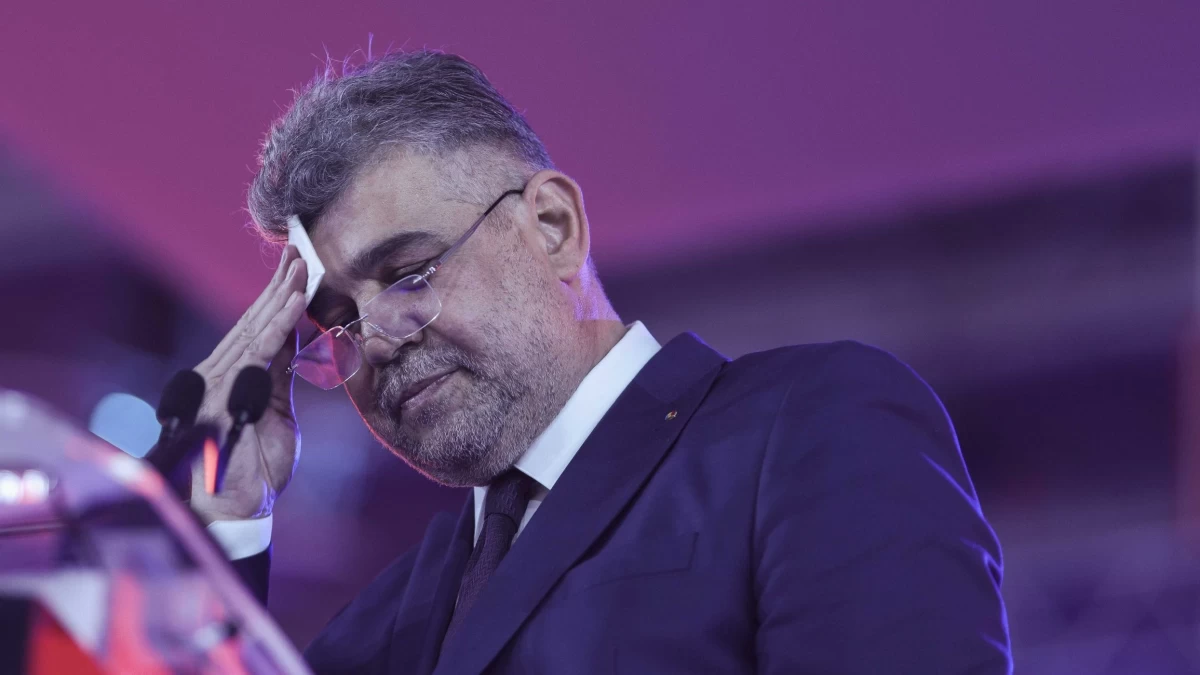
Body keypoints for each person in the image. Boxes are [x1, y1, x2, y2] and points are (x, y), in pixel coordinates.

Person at [189, 50, 1011, 674]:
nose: (373, 340)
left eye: (409, 273)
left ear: (552, 226)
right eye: (336, 321)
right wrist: (225, 525)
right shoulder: (381, 626)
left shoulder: (811, 427)